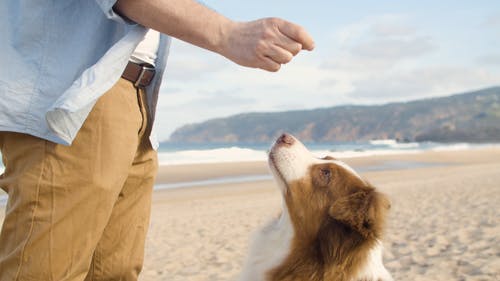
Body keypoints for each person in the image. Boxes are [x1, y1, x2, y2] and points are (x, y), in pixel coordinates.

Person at [0, 0, 314, 280]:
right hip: (77, 93)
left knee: (117, 271)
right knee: (47, 270)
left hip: (138, 96)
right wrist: (227, 33)